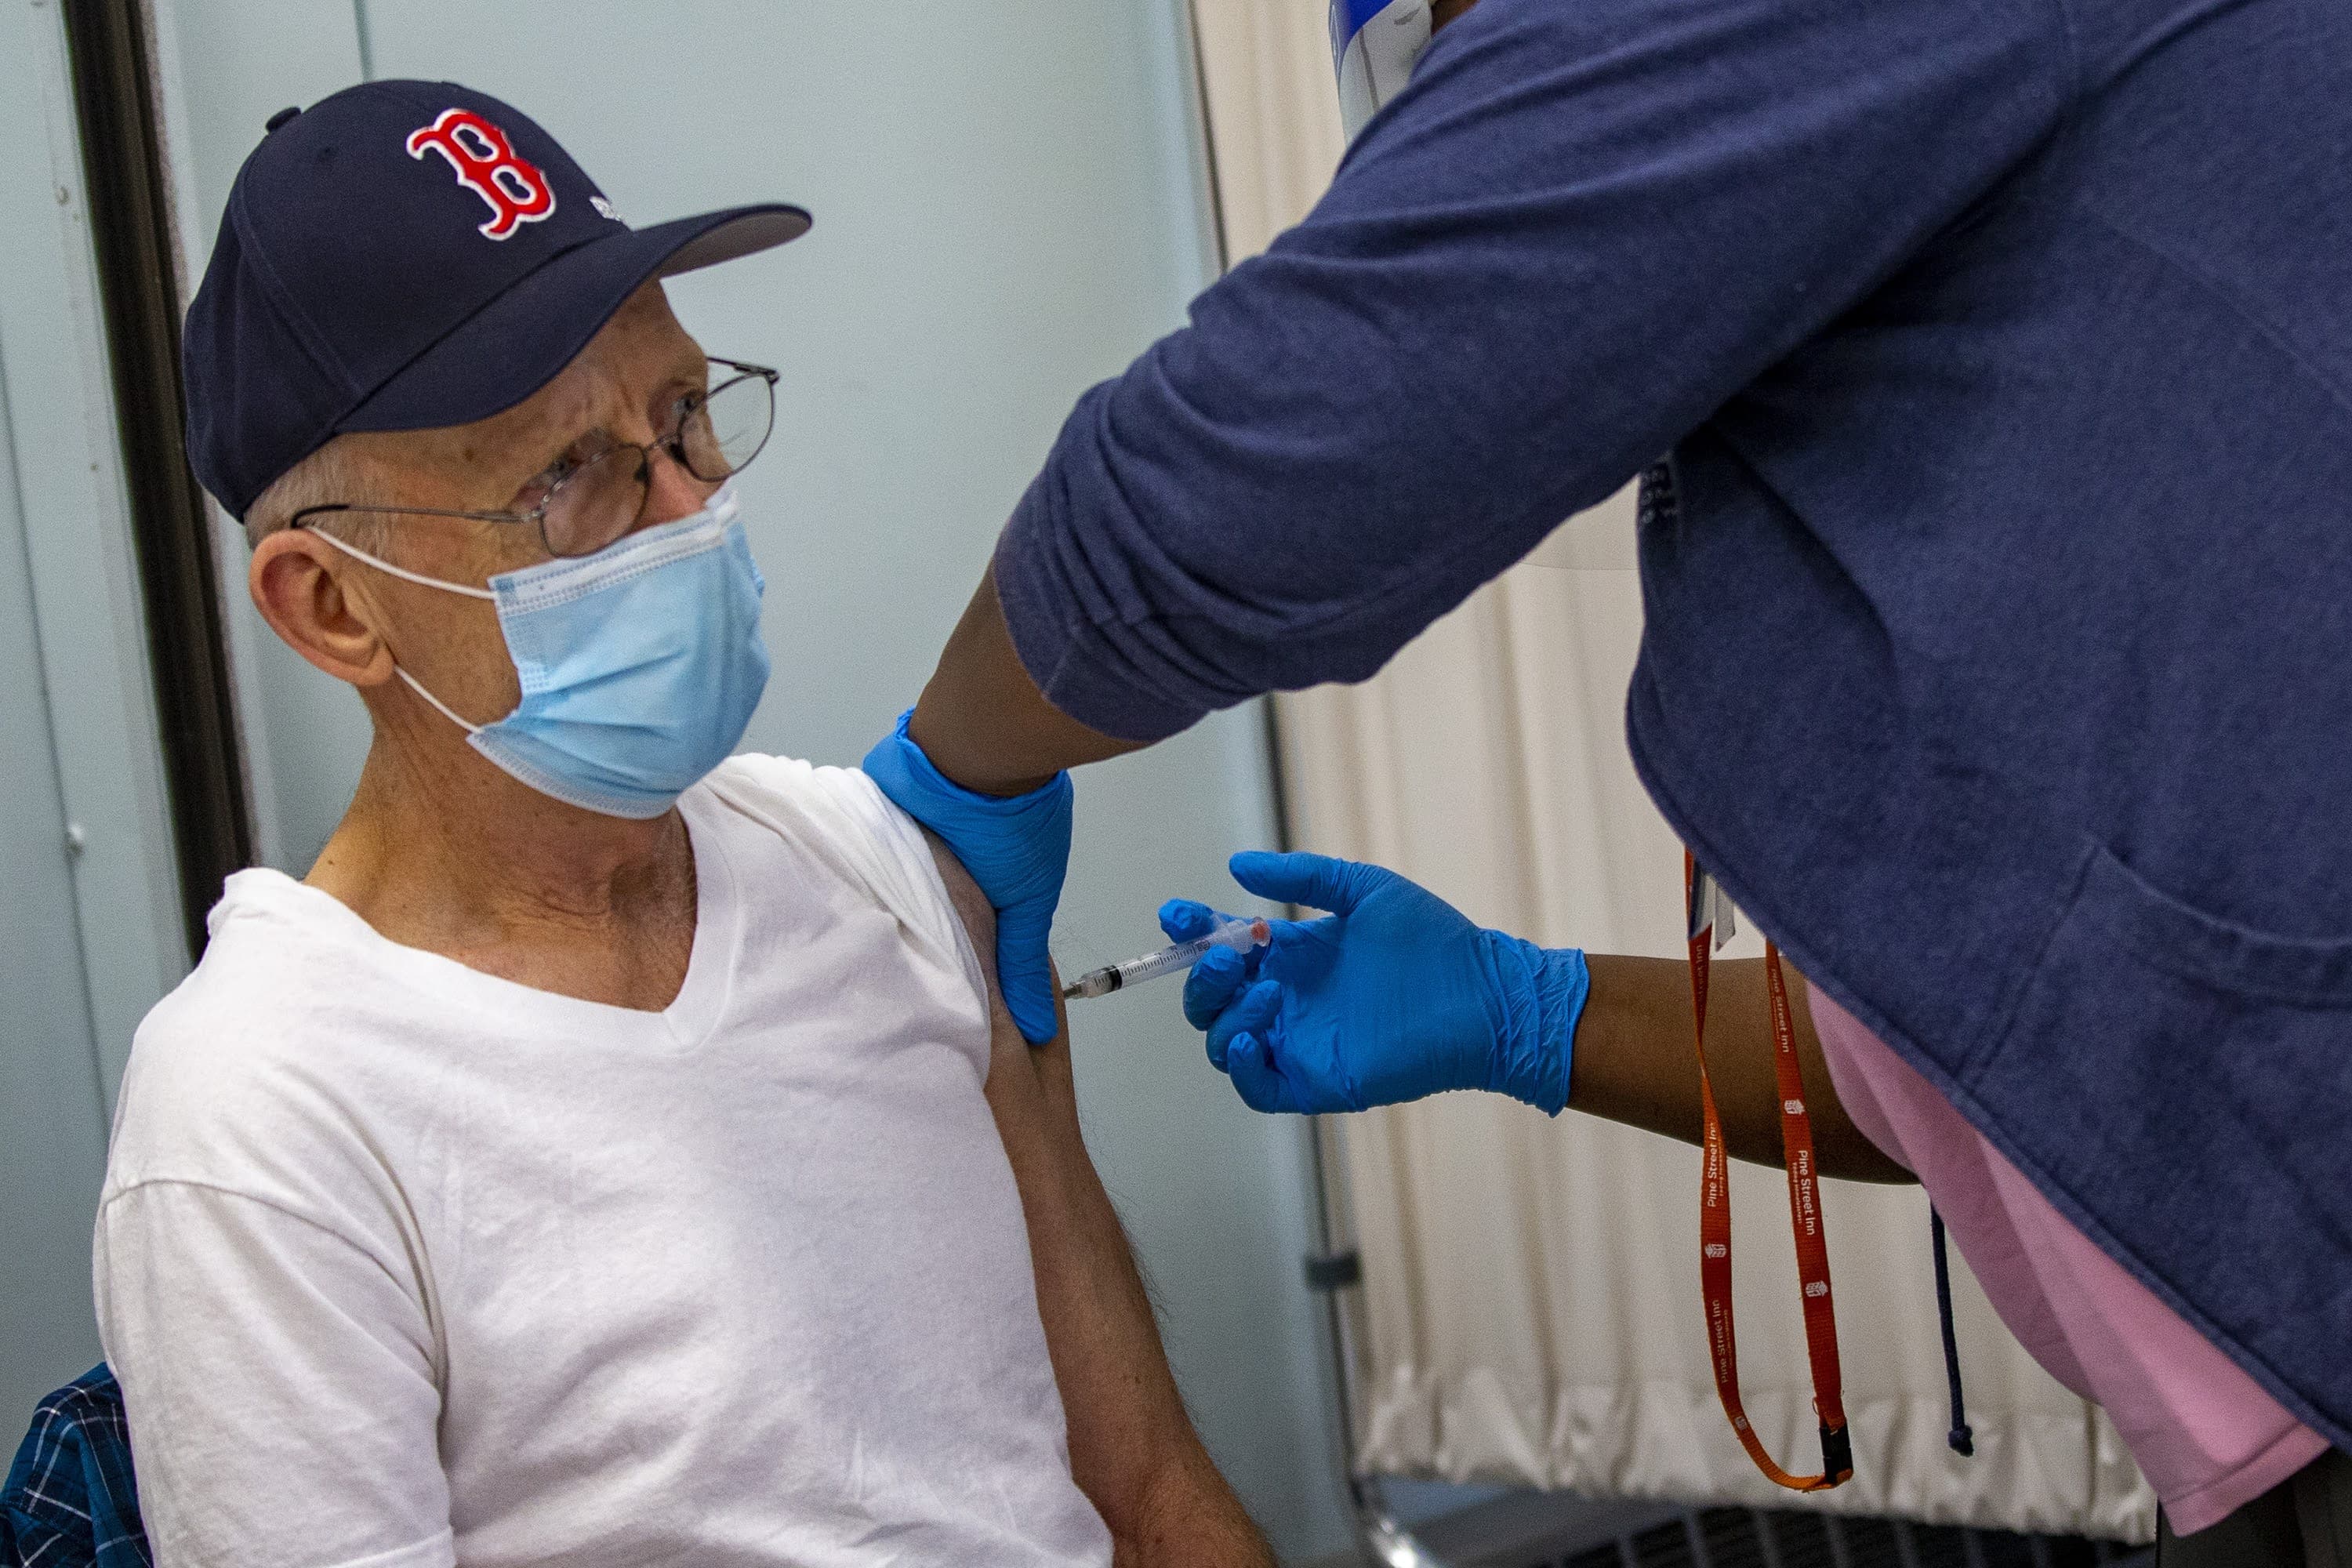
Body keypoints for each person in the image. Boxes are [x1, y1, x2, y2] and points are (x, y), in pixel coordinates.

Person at [859, 0, 2352, 1559]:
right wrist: (1525, 1006)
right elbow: (2003, 1052)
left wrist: (954, 771)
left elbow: (1229, 484)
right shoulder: (2011, 423)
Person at [97, 82, 1270, 1568]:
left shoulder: (875, 869)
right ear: (331, 607)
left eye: (683, 418)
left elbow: (1153, 1492)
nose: (681, 511)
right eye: (564, 474)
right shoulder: (266, 1113)